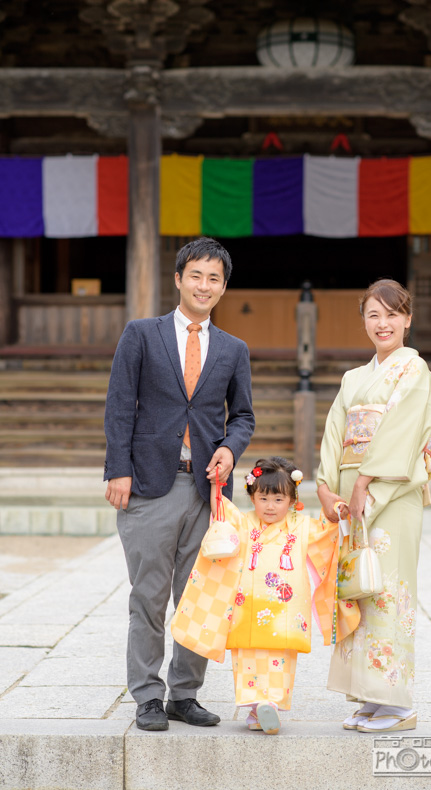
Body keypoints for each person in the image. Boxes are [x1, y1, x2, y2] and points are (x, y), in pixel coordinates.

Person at [104, 237, 255, 731]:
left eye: (214, 278)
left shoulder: (233, 349)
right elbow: (121, 404)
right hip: (149, 484)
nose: (204, 285)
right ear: (178, 279)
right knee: (148, 596)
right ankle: (148, 694)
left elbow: (243, 416)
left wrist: (230, 449)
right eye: (197, 275)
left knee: (199, 598)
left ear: (223, 287)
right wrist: (118, 469)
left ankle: (184, 694)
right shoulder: (141, 335)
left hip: (206, 493)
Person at [317, 278, 431, 733]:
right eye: (373, 314)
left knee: (387, 591)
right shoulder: (354, 378)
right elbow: (335, 433)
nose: (382, 323)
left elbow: (403, 433)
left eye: (392, 314)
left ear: (407, 319)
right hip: (354, 499)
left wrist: (366, 484)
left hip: (392, 495)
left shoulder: (415, 372)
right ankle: (369, 696)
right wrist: (328, 488)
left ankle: (397, 703)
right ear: (364, 321)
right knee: (357, 590)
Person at [171, 456, 360, 734]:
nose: (270, 506)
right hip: (248, 607)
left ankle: (267, 706)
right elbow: (221, 510)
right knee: (248, 659)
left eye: (278, 500)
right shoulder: (244, 523)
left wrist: (338, 512)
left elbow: (328, 532)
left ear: (293, 500)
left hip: (285, 613)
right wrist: (217, 485)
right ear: (252, 496)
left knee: (280, 660)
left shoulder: (302, 525)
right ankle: (256, 709)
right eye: (263, 498)